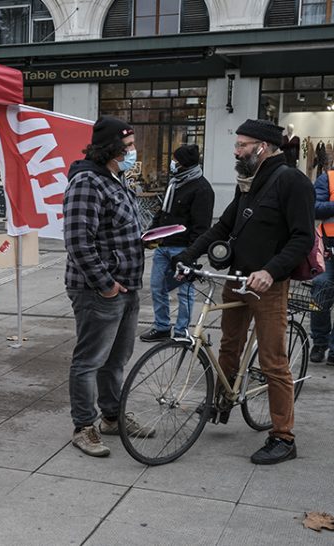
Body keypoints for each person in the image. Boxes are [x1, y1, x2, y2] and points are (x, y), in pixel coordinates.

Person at [173, 119, 314, 465]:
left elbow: (303, 237)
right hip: (236, 278)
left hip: (268, 286)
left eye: (241, 145)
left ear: (261, 147)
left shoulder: (291, 181)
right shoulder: (248, 183)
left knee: (273, 362)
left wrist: (271, 271)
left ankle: (283, 437)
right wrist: (188, 256)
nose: (236, 151)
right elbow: (223, 226)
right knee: (229, 345)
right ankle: (221, 401)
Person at [62, 116, 154, 458]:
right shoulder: (87, 182)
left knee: (116, 360)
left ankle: (112, 416)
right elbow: (77, 240)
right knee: (89, 361)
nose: (133, 151)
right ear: (111, 149)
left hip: (126, 286)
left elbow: (115, 229)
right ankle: (83, 426)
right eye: (127, 146)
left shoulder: (115, 179)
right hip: (99, 290)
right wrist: (105, 284)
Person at [140, 144, 214, 342]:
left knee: (185, 292)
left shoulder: (202, 188)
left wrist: (191, 253)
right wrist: (151, 234)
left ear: (184, 164)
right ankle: (162, 327)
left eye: (175, 161)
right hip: (164, 246)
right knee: (157, 287)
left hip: (183, 249)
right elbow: (163, 212)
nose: (172, 164)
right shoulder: (174, 184)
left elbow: (201, 226)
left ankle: (182, 331)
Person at [309, 168, 334, 364]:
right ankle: (319, 341)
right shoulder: (328, 178)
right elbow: (314, 207)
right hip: (328, 250)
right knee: (320, 289)